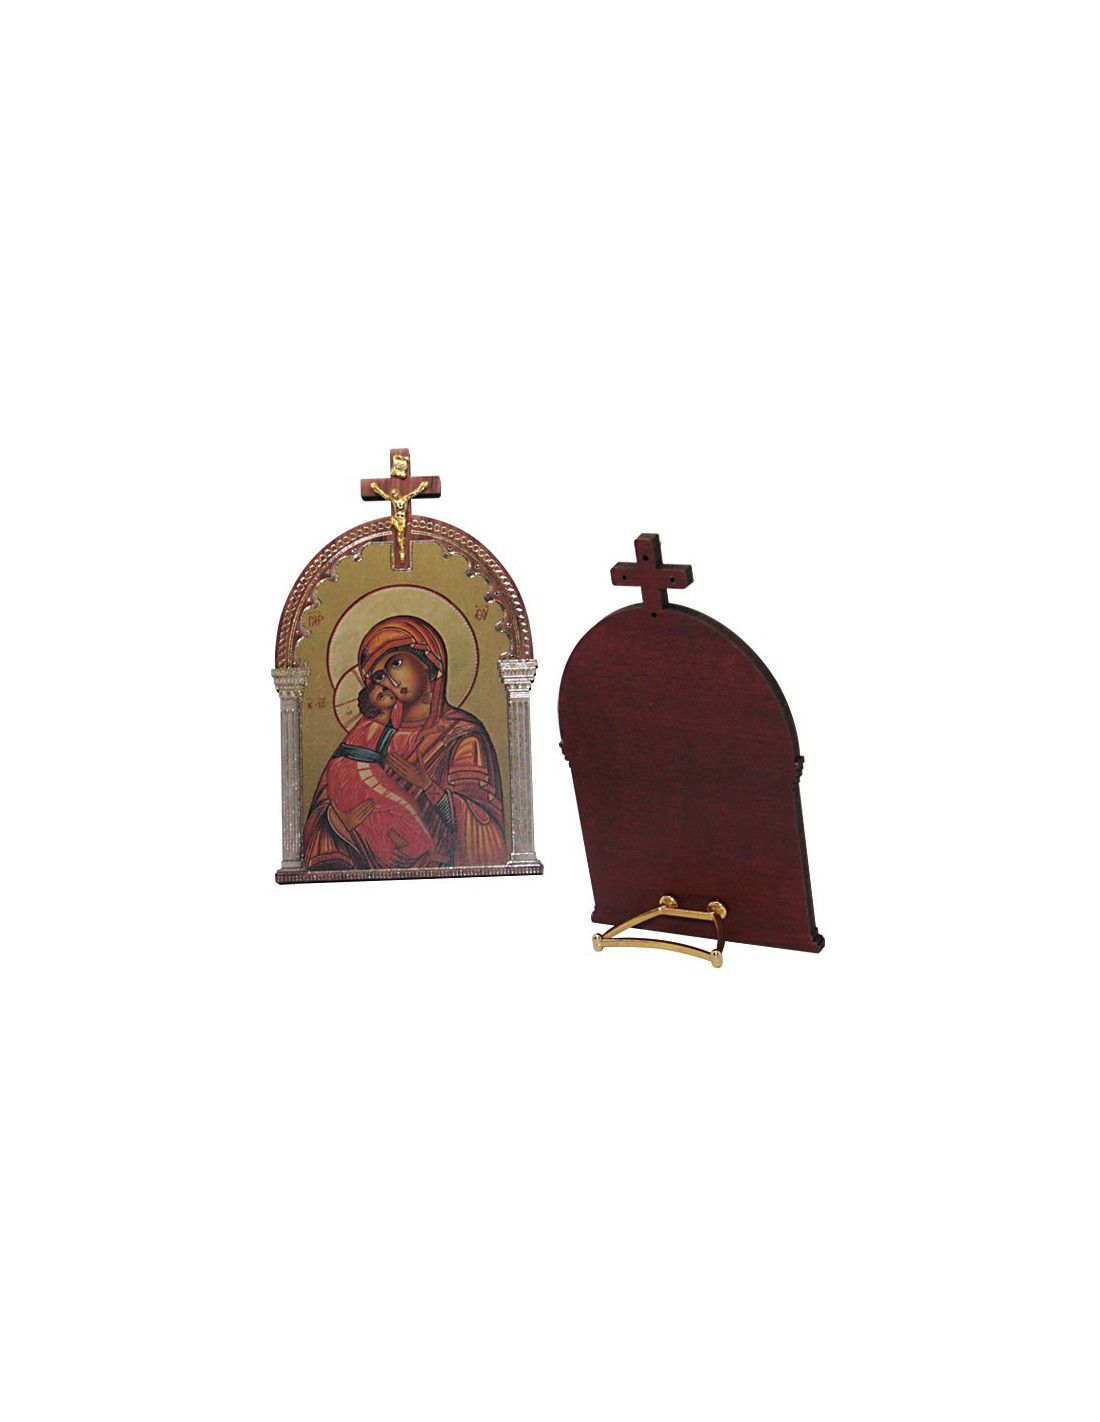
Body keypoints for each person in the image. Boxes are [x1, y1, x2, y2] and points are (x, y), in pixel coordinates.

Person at [303, 615, 507, 871]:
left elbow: (484, 828)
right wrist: (339, 821)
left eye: (396, 663)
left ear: (430, 661)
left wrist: (427, 786)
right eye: (379, 676)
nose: (389, 680)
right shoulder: (362, 741)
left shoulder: (462, 737)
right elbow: (321, 815)